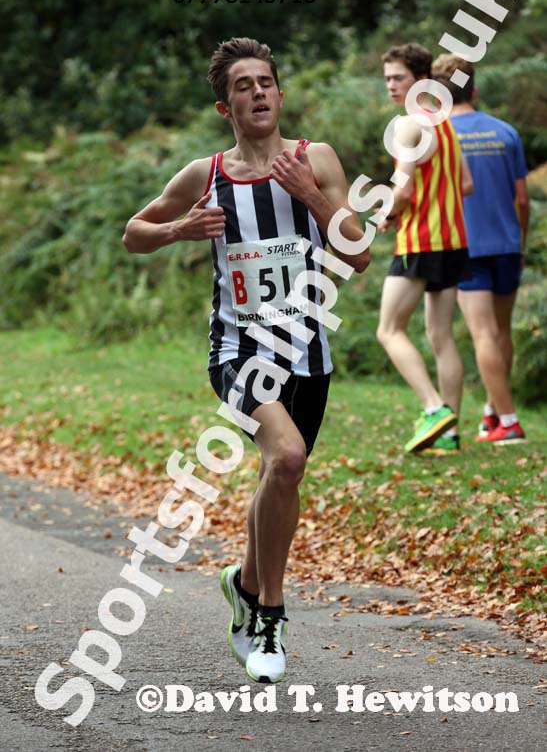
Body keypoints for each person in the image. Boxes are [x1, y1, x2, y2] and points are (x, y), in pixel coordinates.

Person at [122, 37, 370, 683]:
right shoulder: (203, 175)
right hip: (237, 352)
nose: (257, 92)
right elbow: (133, 232)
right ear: (223, 106)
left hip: (306, 354)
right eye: (243, 86)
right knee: (284, 457)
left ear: (280, 95)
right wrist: (177, 229)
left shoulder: (312, 158)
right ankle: (267, 616)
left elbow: (358, 252)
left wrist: (311, 194)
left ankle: (245, 581)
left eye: (265, 82)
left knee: (279, 475)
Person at [377, 43, 474, 454]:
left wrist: (385, 214)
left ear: (420, 80)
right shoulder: (444, 123)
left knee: (389, 330)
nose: (391, 87)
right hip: (454, 241)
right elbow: (466, 184)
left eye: (398, 78)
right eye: (386, 79)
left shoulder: (408, 125)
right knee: (440, 335)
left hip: (421, 240)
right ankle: (449, 432)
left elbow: (403, 188)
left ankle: (434, 409)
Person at [432, 53, 529, 444]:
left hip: (466, 247)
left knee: (483, 334)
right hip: (507, 243)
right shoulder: (505, 132)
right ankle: (491, 413)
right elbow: (522, 200)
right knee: (501, 332)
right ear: (473, 87)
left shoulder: (439, 136)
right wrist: (518, 240)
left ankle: (508, 422)